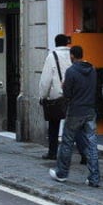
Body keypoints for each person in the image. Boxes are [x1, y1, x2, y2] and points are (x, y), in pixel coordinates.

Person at [50, 45, 101, 187]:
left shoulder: (71, 71)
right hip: (90, 111)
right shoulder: (92, 70)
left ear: (72, 56)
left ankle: (61, 173)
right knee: (92, 145)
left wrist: (63, 85)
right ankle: (94, 178)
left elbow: (67, 94)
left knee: (67, 143)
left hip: (75, 112)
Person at [37, 33, 73, 161]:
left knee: (53, 126)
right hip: (72, 96)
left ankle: (52, 152)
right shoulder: (72, 55)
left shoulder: (52, 57)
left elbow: (46, 80)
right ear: (66, 43)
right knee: (75, 126)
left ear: (55, 43)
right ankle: (84, 155)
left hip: (56, 97)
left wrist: (42, 96)